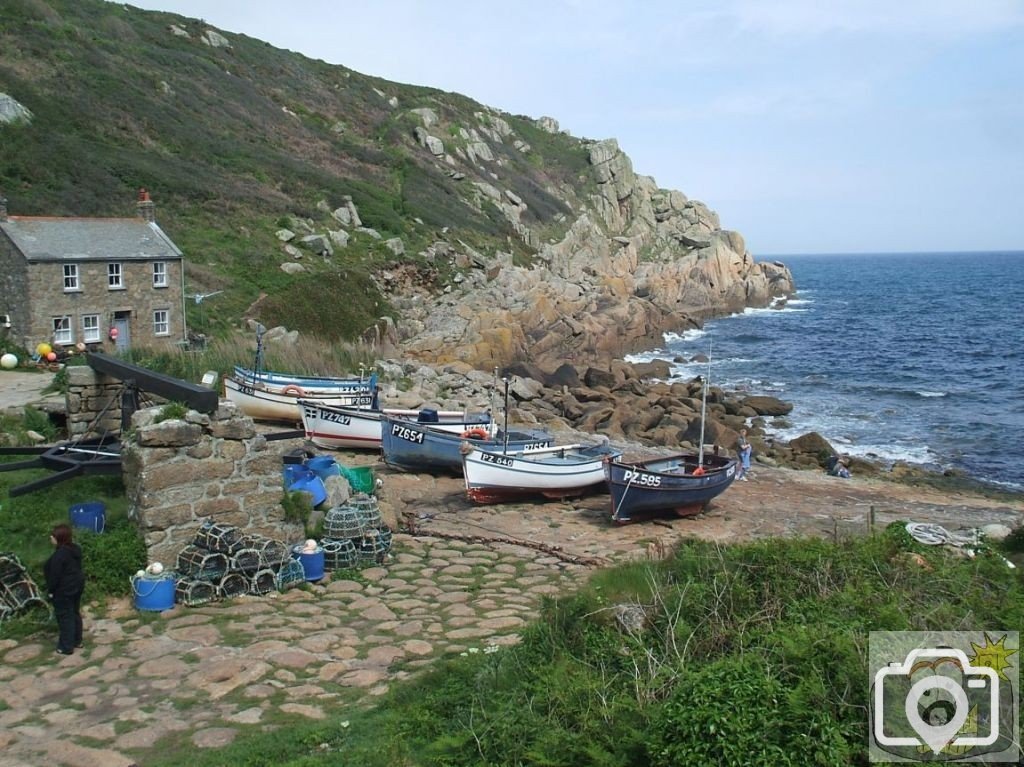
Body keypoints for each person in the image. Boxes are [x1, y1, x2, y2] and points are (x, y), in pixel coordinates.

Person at [44, 523, 85, 655]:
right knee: (74, 613)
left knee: (65, 616)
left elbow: (54, 577)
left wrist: (50, 591)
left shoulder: (59, 556)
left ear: (59, 538)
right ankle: (77, 640)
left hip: (64, 590)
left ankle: (66, 646)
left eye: (53, 535)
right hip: (77, 586)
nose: (51, 537)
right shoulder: (74, 549)